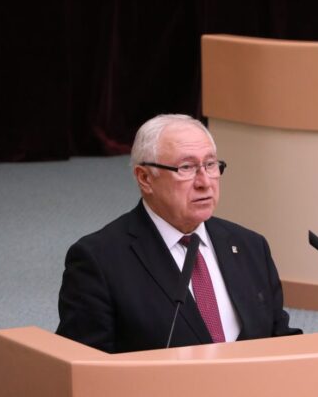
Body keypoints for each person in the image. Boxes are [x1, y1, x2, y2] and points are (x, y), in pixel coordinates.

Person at [56, 114, 301, 353]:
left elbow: (278, 340)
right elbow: (84, 368)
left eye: (210, 165)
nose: (205, 182)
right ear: (145, 178)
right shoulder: (99, 260)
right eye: (186, 167)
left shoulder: (250, 246)